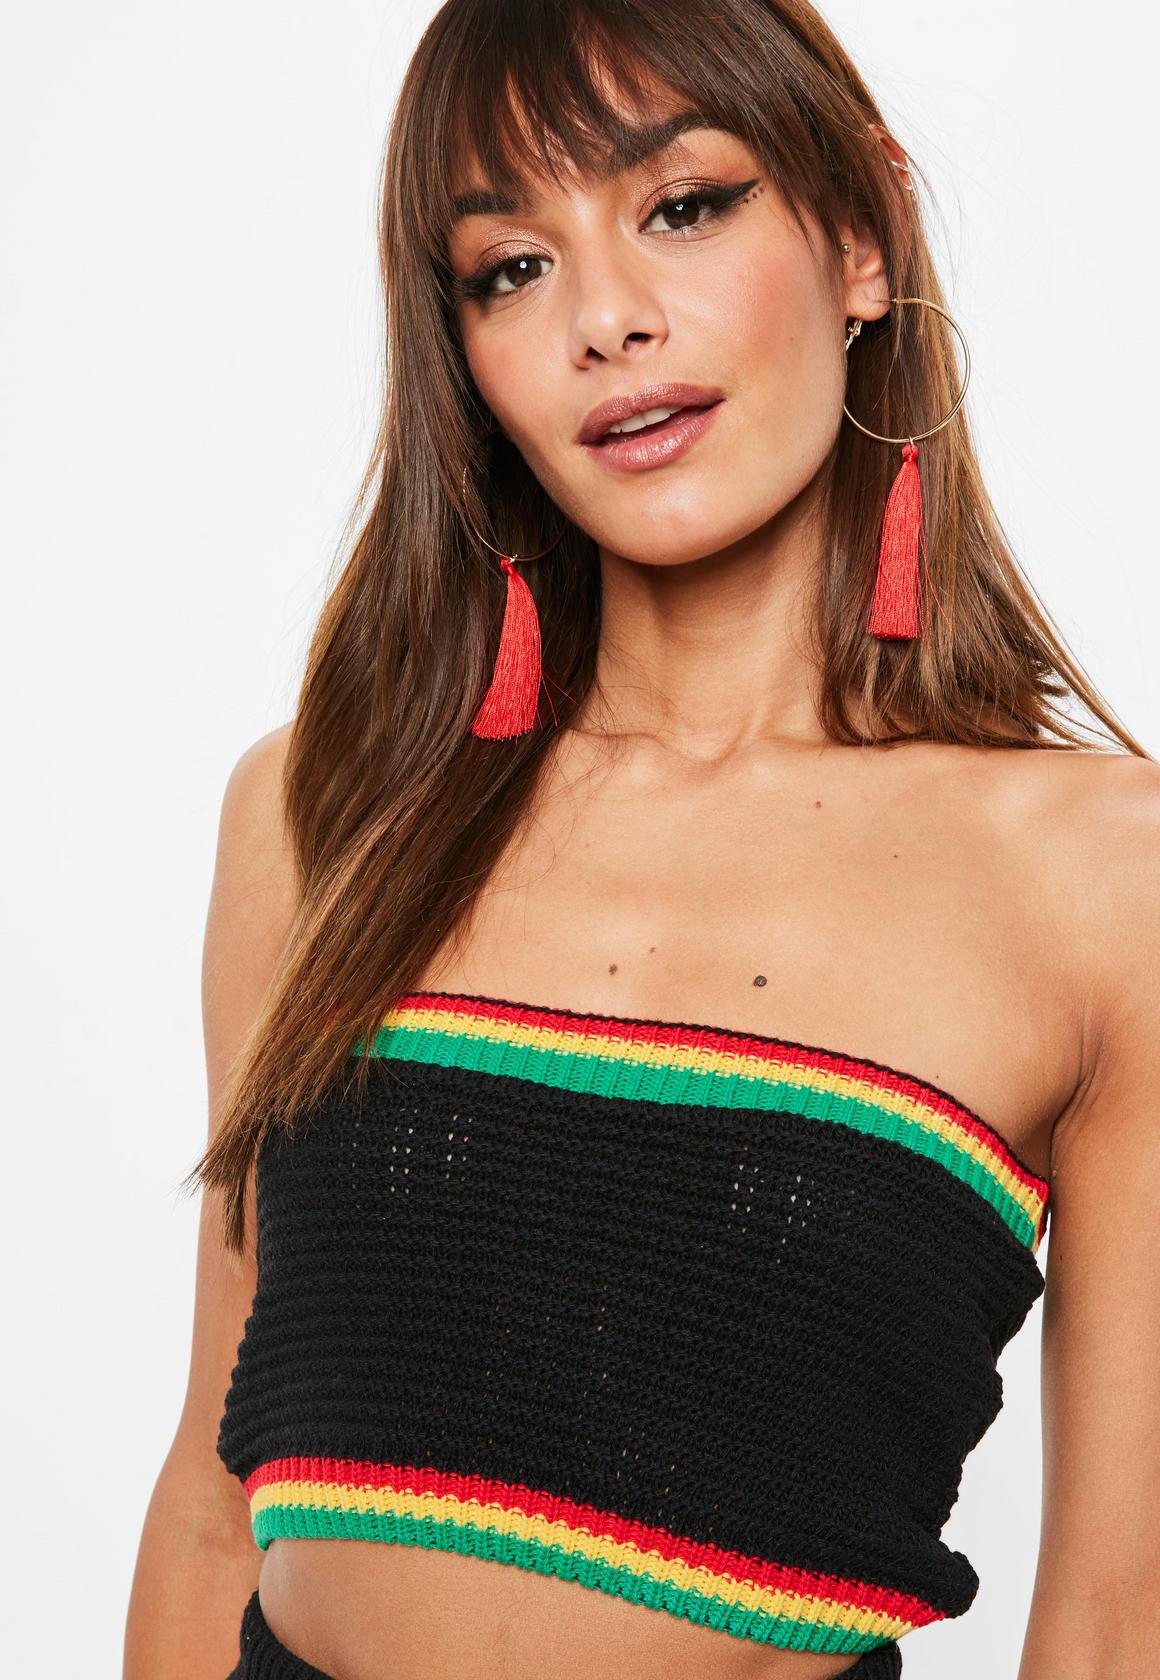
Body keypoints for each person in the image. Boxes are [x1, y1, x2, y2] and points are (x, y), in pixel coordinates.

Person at [123, 1, 1160, 1677]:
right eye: (512, 268)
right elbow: (207, 1502)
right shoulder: (328, 813)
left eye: (683, 204)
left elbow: (1121, 1626)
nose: (605, 319)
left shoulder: (1109, 881)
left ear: (863, 235)